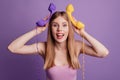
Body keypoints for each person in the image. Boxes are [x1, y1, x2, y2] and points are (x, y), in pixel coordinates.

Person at [8, 11, 109, 80]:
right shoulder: (44, 47)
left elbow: (103, 52)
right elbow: (12, 48)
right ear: (50, 28)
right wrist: (36, 31)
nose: (60, 29)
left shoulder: (76, 46)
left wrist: (83, 34)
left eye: (64, 25)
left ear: (69, 28)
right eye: (55, 25)